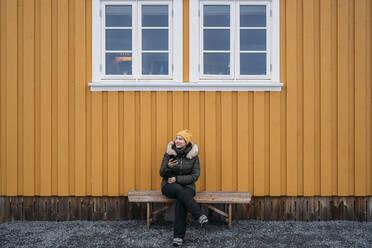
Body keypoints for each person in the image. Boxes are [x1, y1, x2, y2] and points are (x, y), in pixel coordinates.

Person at [159, 129, 208, 247]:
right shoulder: (169, 153)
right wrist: (168, 167)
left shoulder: (193, 156)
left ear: (186, 141)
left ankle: (178, 238)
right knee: (179, 191)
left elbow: (195, 176)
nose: (177, 141)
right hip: (169, 185)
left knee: (181, 199)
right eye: (176, 138)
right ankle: (198, 214)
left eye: (180, 139)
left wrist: (177, 179)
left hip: (187, 186)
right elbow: (161, 172)